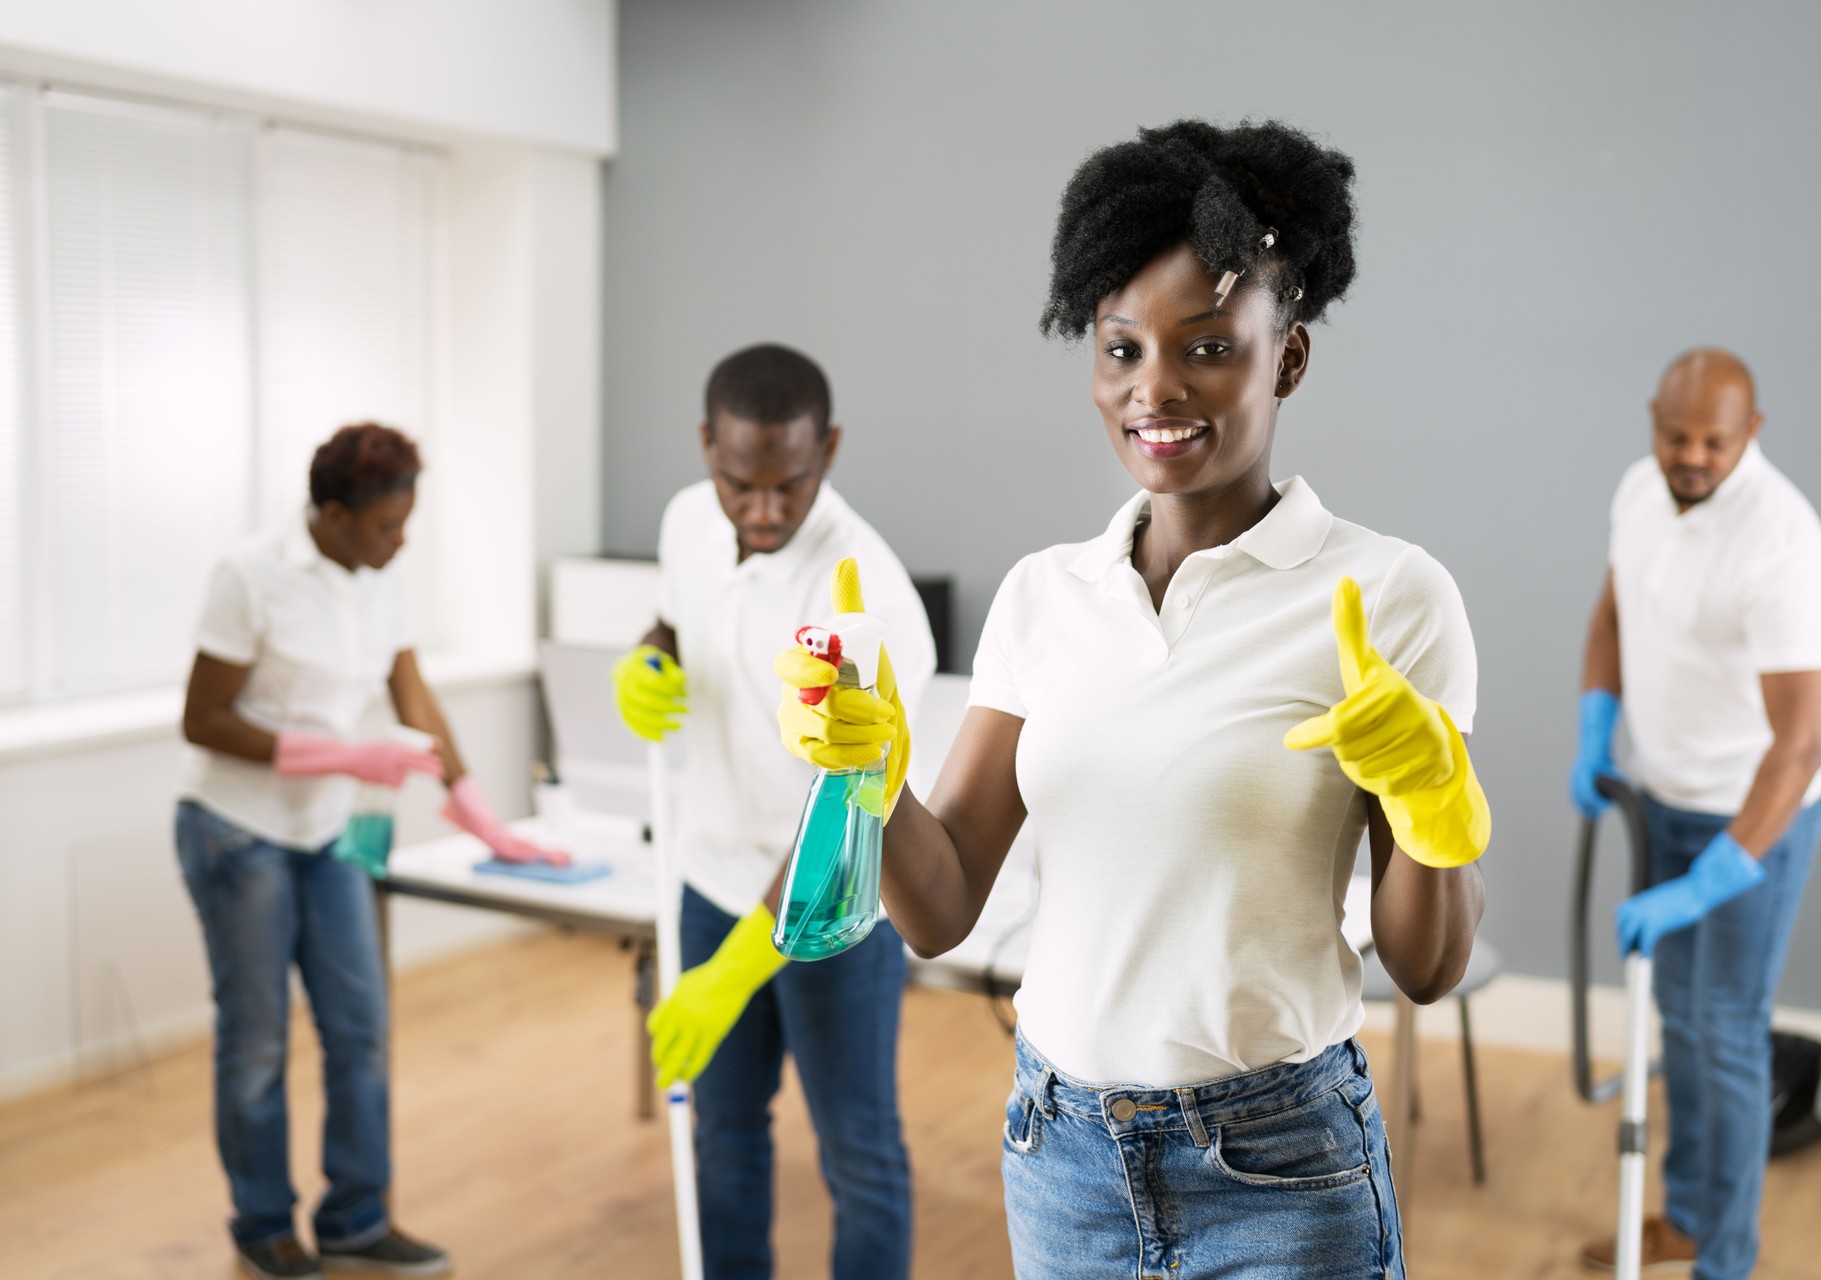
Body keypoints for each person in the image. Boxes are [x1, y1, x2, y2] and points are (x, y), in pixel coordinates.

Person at [772, 120, 1491, 1278]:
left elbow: (1429, 963)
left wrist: (1430, 802)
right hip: (1062, 1158)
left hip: (1282, 1164)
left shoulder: (1390, 594)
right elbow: (940, 904)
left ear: (1287, 358)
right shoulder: (1041, 595)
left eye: (1208, 347)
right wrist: (868, 776)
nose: (1155, 388)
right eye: (1120, 349)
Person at [178, 423, 567, 1280]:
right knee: (257, 1040)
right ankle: (263, 1226)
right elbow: (201, 720)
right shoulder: (251, 576)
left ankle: (356, 1219)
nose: (401, 540)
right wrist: (348, 755)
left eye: (406, 523)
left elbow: (414, 699)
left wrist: (484, 817)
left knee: (361, 1027)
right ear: (331, 514)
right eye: (387, 526)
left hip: (331, 830)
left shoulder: (376, 581)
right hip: (238, 831)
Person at [612, 344, 935, 1280]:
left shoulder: (860, 591)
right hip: (708, 878)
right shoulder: (685, 521)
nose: (760, 512)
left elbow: (846, 815)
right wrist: (651, 659)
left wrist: (739, 969)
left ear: (827, 449)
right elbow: (679, 617)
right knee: (723, 1137)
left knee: (857, 1150)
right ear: (707, 445)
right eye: (736, 484)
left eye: (787, 487)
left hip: (829, 912)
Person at [1572, 349, 1821, 1279]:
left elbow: (1798, 743)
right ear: (1653, 419)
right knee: (1673, 1020)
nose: (1691, 456)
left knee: (1722, 1030)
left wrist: (1719, 875)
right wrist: (1596, 724)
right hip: (1663, 798)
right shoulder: (1640, 491)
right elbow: (1612, 614)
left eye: (1713, 442)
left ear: (1750, 434)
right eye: (1675, 435)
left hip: (1753, 816)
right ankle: (1683, 1217)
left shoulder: (1782, 544)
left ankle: (1725, 1261)